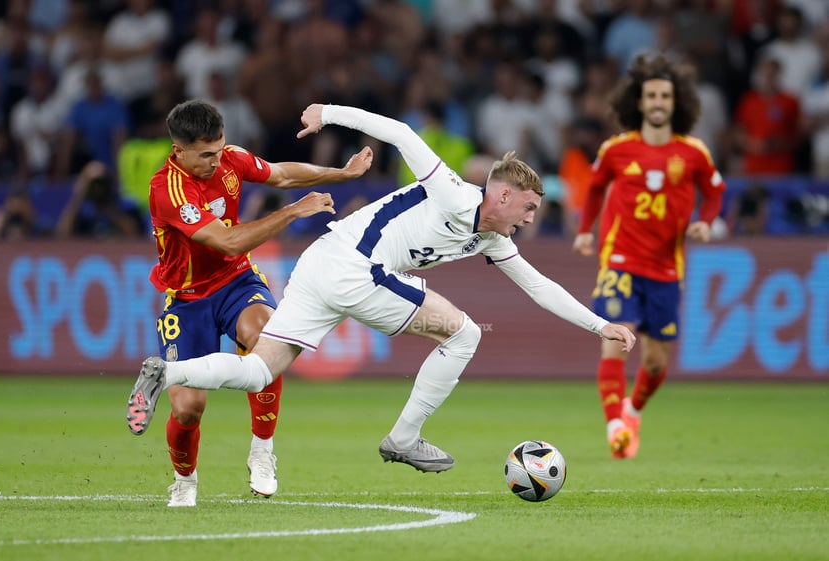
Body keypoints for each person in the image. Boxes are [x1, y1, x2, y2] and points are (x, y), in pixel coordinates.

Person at [126, 102, 637, 484]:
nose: (530, 220)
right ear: (501, 195)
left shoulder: (491, 236)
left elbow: (539, 286)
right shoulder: (453, 192)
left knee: (260, 370)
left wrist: (600, 325)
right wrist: (327, 112)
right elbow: (399, 131)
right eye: (526, 209)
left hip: (320, 264)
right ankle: (403, 439)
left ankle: (166, 372)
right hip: (353, 270)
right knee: (461, 334)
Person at [128, 99, 373, 507]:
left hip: (237, 281)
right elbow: (227, 241)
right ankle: (185, 482)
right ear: (179, 151)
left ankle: (262, 451)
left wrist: (342, 173)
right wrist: (294, 212)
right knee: (189, 408)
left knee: (266, 336)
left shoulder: (230, 159)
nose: (216, 160)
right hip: (187, 300)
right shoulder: (168, 190)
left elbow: (280, 173)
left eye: (220, 149)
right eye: (205, 155)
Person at [571, 53, 725, 460]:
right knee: (615, 341)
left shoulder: (693, 153)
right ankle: (616, 428)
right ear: (639, 102)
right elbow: (594, 188)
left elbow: (715, 191)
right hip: (619, 260)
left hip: (666, 268)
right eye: (651, 95)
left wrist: (706, 223)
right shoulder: (617, 149)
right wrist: (585, 231)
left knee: (655, 362)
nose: (658, 102)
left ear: (676, 103)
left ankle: (633, 411)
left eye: (665, 96)